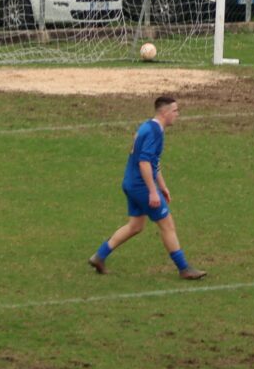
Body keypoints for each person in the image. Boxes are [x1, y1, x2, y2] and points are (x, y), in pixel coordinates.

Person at [88, 96, 206, 280]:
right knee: (167, 225)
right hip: (141, 186)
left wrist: (163, 186)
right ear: (165, 113)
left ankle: (99, 256)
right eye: (175, 111)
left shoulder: (148, 126)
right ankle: (184, 269)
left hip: (130, 183)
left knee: (135, 226)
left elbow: (152, 161)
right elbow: (144, 163)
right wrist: (153, 191)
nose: (178, 114)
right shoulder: (155, 132)